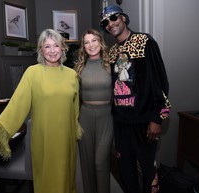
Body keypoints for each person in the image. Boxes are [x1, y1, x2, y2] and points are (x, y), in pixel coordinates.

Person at [0, 29, 82, 193]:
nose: (52, 50)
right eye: (47, 46)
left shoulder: (72, 75)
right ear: (41, 50)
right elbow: (16, 106)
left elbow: (74, 109)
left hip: (67, 139)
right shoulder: (32, 73)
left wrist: (74, 130)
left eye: (56, 45)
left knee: (66, 179)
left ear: (63, 48)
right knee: (48, 182)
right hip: (44, 139)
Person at [99, 5, 171, 193]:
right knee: (126, 171)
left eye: (113, 18)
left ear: (123, 17)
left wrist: (158, 118)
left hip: (144, 121)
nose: (110, 24)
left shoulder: (144, 41)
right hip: (121, 123)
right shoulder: (113, 51)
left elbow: (160, 81)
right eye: (105, 22)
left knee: (148, 170)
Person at [74, 29, 113, 193]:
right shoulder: (78, 68)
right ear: (83, 46)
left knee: (100, 161)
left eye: (94, 40)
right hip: (85, 116)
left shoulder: (111, 64)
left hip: (107, 116)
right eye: (87, 42)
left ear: (101, 42)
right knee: (87, 163)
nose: (91, 45)